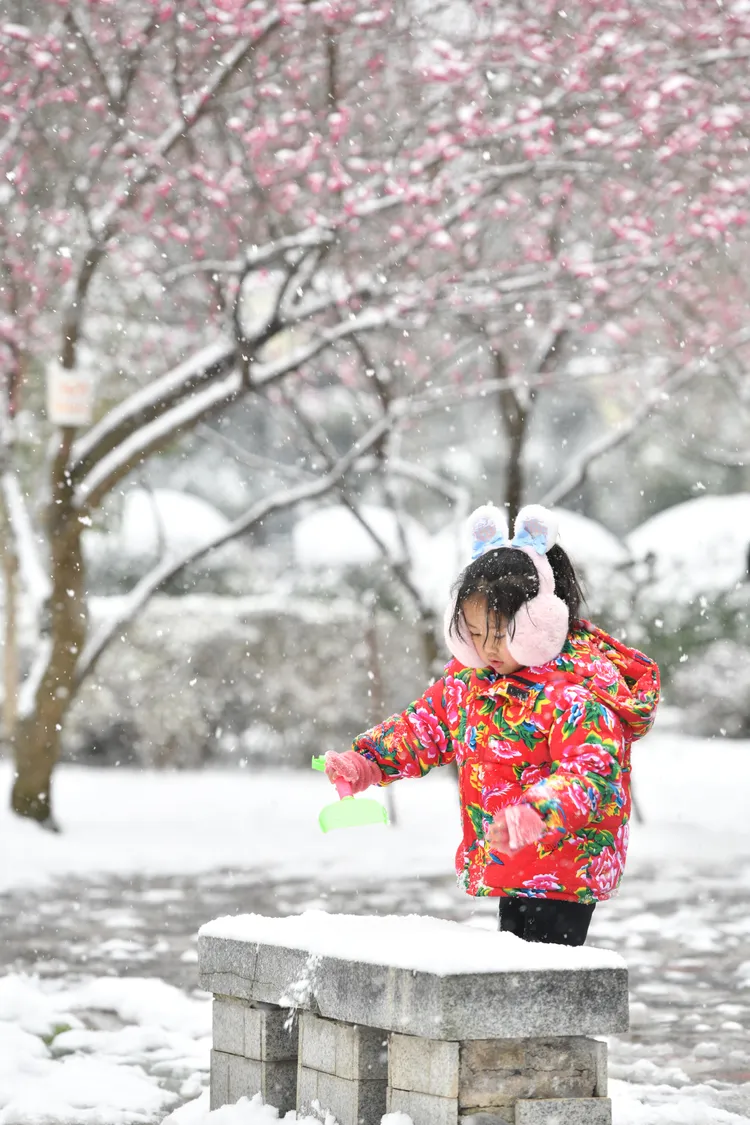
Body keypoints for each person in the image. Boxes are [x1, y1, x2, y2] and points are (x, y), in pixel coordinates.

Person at [325, 503, 660, 947]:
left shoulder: (576, 693)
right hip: (510, 861)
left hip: (564, 865)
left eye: (500, 634)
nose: (488, 649)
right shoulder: (473, 682)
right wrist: (365, 762)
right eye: (476, 633)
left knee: (545, 974)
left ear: (541, 619)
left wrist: (536, 815)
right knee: (512, 967)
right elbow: (423, 727)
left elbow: (591, 772)